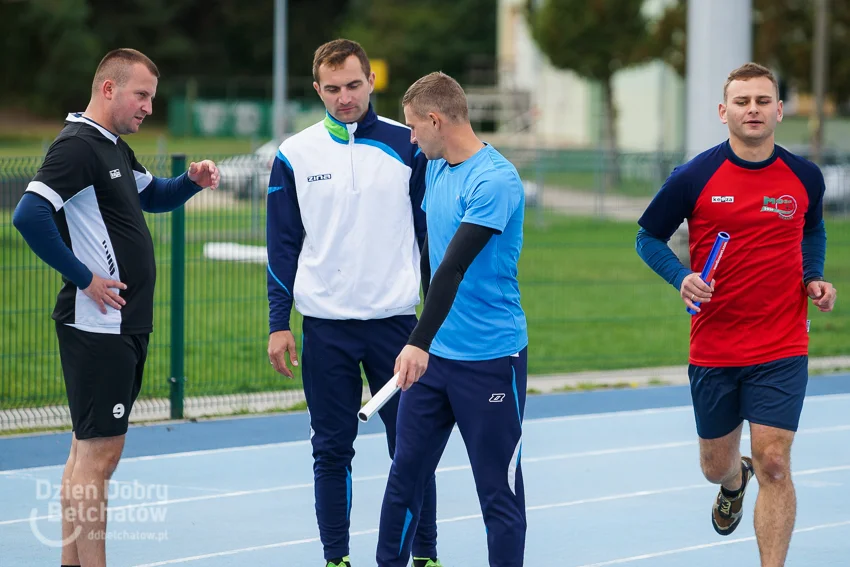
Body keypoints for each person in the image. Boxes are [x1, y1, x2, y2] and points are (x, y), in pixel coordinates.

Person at [12, 48, 219, 567]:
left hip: (118, 324)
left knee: (85, 454)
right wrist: (84, 278)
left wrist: (191, 182)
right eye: (141, 94)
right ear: (108, 89)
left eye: (152, 95)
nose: (150, 106)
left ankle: (70, 562)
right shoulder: (78, 146)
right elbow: (29, 214)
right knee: (99, 458)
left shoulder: (112, 147)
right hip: (99, 325)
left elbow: (155, 196)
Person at [635, 62, 837, 567]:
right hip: (715, 343)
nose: (753, 110)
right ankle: (731, 481)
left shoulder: (804, 176)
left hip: (782, 341)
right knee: (714, 464)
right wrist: (680, 277)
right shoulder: (694, 176)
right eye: (742, 102)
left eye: (763, 101)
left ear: (779, 110)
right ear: (724, 111)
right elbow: (647, 237)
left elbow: (812, 231)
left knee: (774, 463)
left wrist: (813, 275)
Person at [265, 39, 440, 567]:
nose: (345, 97)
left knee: (411, 451)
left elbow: (430, 239)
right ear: (318, 89)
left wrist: (432, 326)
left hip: (398, 331)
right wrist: (279, 322)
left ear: (371, 82)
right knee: (330, 451)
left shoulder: (408, 146)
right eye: (333, 89)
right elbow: (282, 246)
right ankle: (336, 559)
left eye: (354, 85)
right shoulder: (293, 155)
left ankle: (425, 556)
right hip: (326, 330)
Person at [376, 72, 529, 567]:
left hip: (489, 358)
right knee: (405, 478)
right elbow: (427, 253)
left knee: (497, 493)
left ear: (436, 120)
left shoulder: (495, 181)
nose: (411, 138)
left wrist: (417, 340)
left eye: (415, 128)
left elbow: (453, 268)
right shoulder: (437, 166)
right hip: (436, 358)